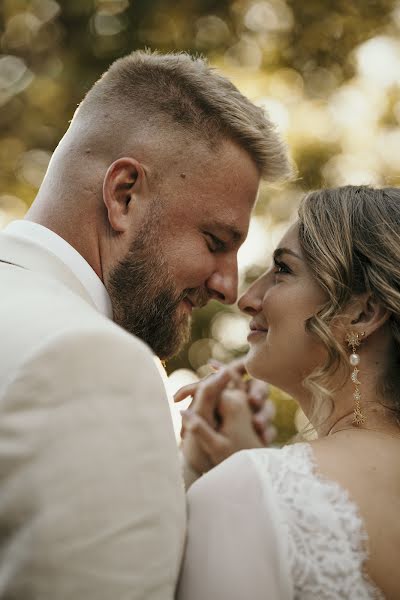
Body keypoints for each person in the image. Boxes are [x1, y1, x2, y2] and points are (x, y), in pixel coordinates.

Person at [0, 50, 289, 599]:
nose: (228, 287)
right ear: (123, 195)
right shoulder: (91, 361)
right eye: (215, 241)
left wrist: (190, 475)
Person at [177, 185, 400, 600]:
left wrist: (235, 481)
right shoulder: (256, 485)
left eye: (282, 269)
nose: (247, 298)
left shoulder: (250, 491)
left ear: (363, 313)